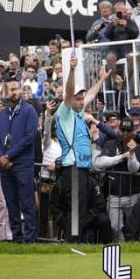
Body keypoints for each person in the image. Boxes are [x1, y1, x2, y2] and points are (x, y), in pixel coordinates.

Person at [53, 54, 107, 240]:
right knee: (76, 211)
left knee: (81, 210)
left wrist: (101, 79)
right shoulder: (65, 112)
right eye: (78, 99)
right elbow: (68, 93)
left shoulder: (78, 112)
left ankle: (72, 242)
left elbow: (90, 94)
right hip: (72, 169)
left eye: (81, 99)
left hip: (82, 169)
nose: (82, 101)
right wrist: (73, 70)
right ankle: (70, 243)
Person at [0, 79, 38, 243]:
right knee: (11, 204)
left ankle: (31, 239)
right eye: (11, 89)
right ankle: (17, 238)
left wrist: (8, 156)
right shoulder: (2, 114)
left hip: (23, 164)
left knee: (27, 203)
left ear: (21, 90)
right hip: (5, 166)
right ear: (6, 92)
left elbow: (29, 138)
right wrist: (0, 157)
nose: (14, 92)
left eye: (16, 88)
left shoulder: (29, 111)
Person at [94, 116, 140, 240]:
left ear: (133, 132)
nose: (125, 133)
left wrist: (131, 154)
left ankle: (133, 249)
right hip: (114, 193)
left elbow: (134, 169)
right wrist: (121, 157)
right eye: (123, 130)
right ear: (119, 130)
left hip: (132, 193)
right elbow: (98, 163)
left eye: (128, 130)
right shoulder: (111, 144)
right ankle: (122, 248)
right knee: (115, 227)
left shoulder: (139, 147)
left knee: (133, 227)